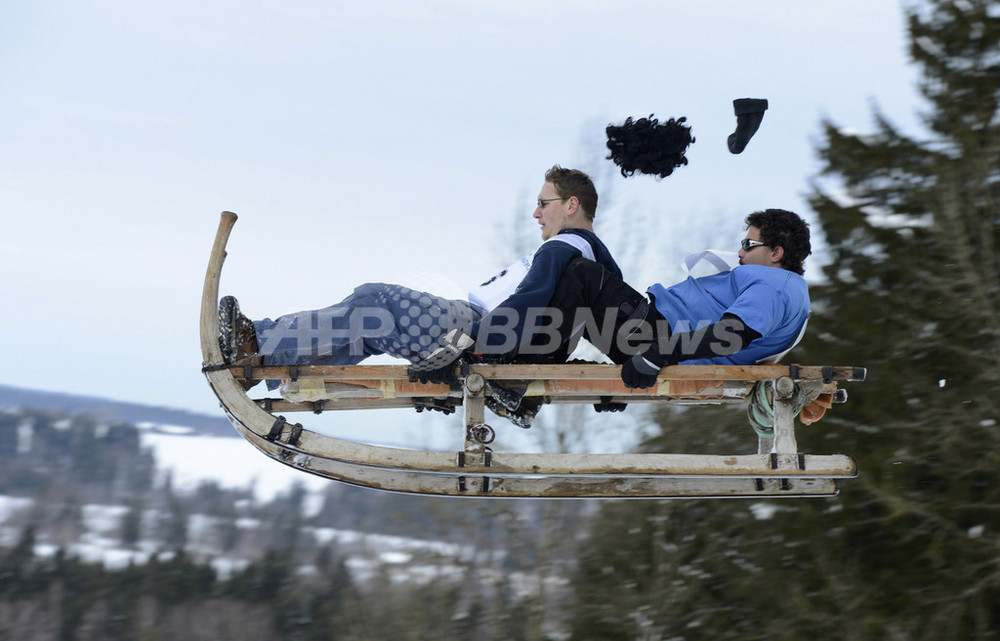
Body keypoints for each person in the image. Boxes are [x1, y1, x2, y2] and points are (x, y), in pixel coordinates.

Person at [217, 166, 625, 394]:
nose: (536, 213)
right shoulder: (581, 255)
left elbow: (532, 305)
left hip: (473, 332)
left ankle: (260, 343)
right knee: (370, 327)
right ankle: (270, 359)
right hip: (480, 331)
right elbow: (566, 317)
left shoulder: (567, 246)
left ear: (572, 205)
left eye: (543, 203)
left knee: (377, 304)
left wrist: (474, 341)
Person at [410, 207, 812, 393]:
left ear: (776, 252)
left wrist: (658, 355)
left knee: (580, 273)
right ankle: (517, 363)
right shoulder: (780, 290)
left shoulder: (777, 285)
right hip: (656, 337)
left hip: (659, 340)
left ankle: (513, 365)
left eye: (748, 243)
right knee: (575, 278)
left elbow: (732, 335)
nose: (740, 252)